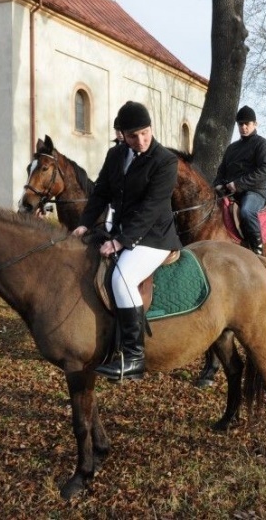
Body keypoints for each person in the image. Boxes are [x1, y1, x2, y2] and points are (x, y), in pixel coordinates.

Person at [71, 101, 182, 381]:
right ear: (122, 134)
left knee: (122, 278)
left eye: (145, 133)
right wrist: (84, 223)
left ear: (151, 128)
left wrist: (120, 241)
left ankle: (134, 357)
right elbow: (100, 193)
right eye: (133, 136)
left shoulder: (166, 161)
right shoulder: (116, 155)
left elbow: (152, 208)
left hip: (155, 237)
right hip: (121, 230)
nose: (141, 140)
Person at [214, 105, 266, 255]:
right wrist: (218, 184)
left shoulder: (262, 145)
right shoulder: (232, 148)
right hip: (231, 192)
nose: (244, 127)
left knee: (247, 212)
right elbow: (222, 170)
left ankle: (258, 249)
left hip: (254, 192)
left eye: (247, 123)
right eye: (241, 124)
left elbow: (264, 171)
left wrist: (239, 184)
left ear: (255, 124)